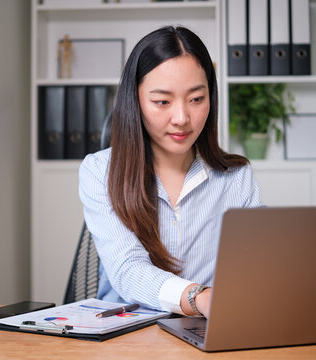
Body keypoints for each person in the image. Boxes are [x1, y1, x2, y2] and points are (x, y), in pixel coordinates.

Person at [78, 26, 262, 318]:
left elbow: (258, 264)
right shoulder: (100, 171)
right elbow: (128, 269)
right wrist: (198, 297)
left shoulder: (235, 176)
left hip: (206, 332)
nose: (182, 118)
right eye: (162, 102)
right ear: (134, 101)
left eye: (196, 99)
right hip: (125, 332)